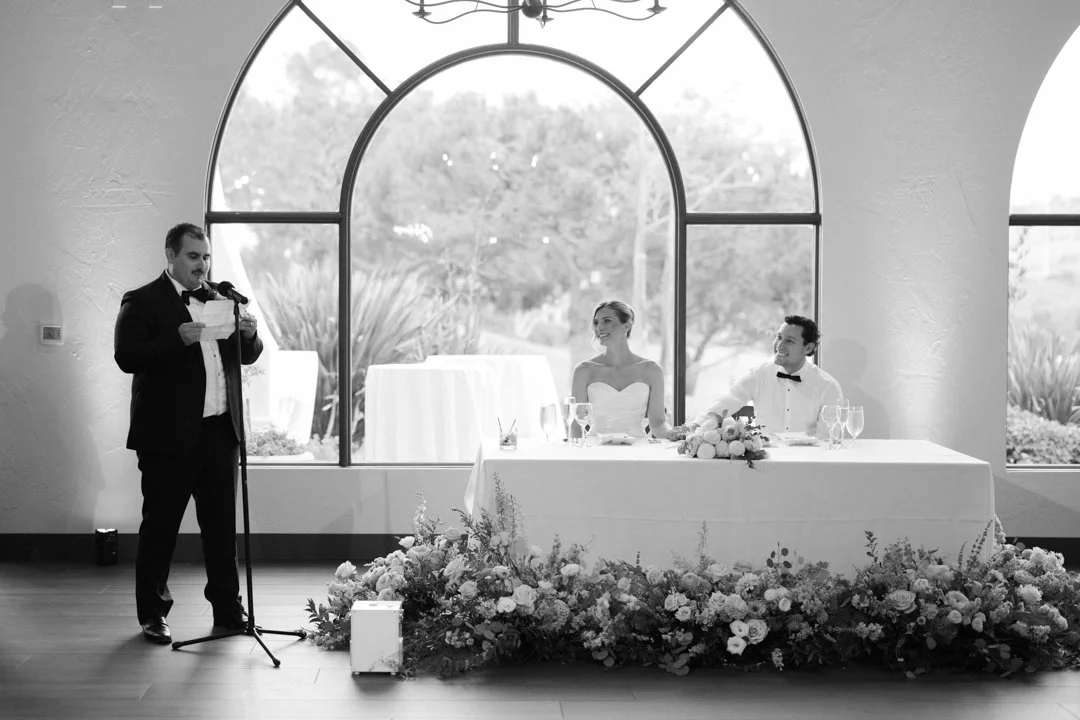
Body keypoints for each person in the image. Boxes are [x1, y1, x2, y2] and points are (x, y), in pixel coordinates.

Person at [114, 223, 263, 644]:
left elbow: (245, 357)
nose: (202, 265)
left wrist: (250, 336)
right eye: (193, 256)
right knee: (160, 528)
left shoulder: (221, 299)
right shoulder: (142, 300)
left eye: (206, 256)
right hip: (168, 437)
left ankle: (228, 609)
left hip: (220, 432)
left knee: (221, 529)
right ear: (171, 256)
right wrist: (174, 339)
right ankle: (153, 614)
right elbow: (126, 357)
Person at [686, 315, 842, 436]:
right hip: (766, 460)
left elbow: (830, 437)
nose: (779, 345)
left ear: (808, 348)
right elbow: (729, 400)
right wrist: (696, 425)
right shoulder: (759, 374)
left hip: (808, 461)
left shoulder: (827, 386)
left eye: (789, 341)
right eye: (779, 337)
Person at [570, 300, 673, 440]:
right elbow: (576, 424)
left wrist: (675, 435)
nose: (599, 327)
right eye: (596, 323)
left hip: (638, 448)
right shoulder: (584, 371)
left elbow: (658, 424)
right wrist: (576, 451)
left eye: (607, 321)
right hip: (595, 448)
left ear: (627, 325)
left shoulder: (652, 370)